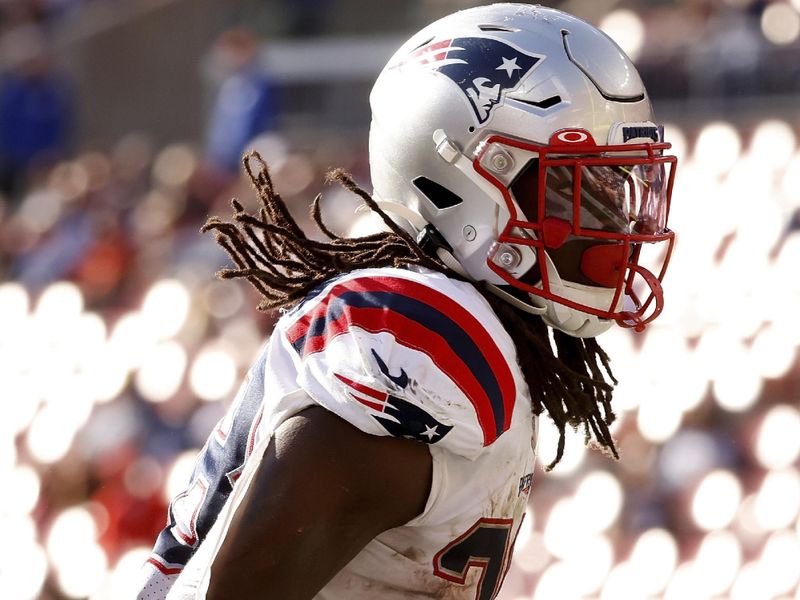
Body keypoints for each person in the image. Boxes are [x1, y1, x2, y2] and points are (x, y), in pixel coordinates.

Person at [136, 4, 678, 599]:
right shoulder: (421, 335)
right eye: (575, 187)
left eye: (614, 186)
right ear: (461, 183)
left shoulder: (478, 329)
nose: (617, 227)